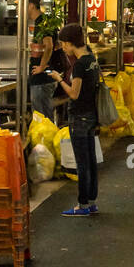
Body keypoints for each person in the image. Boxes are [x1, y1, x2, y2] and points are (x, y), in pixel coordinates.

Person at [48, 23, 101, 217]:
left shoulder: (79, 65)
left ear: (71, 43)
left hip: (79, 116)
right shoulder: (91, 59)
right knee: (91, 159)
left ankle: (82, 204)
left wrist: (59, 79)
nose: (63, 48)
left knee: (82, 162)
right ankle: (92, 201)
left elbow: (74, 93)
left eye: (64, 44)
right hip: (91, 115)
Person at [28, 0, 56, 118]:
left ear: (31, 5)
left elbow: (49, 45)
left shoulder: (43, 22)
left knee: (41, 117)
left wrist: (41, 67)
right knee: (42, 116)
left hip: (42, 79)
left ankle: (45, 138)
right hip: (41, 78)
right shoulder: (41, 21)